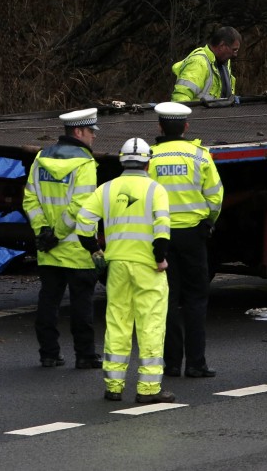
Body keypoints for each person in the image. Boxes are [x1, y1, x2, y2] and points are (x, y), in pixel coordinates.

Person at [75, 137, 174, 404]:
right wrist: (160, 257)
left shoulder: (106, 189)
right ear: (148, 163)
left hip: (116, 266)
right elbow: (162, 228)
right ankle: (149, 389)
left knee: (117, 322)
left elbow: (83, 223)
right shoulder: (156, 190)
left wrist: (96, 251)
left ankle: (113, 386)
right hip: (147, 267)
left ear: (121, 161)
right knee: (150, 324)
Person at [148, 102, 223, 378]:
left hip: (162, 238)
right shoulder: (200, 156)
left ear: (159, 126)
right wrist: (208, 222)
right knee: (195, 300)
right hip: (193, 236)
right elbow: (215, 196)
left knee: (166, 301)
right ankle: (195, 363)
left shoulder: (151, 157)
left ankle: (170, 364)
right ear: (186, 127)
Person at [23, 108, 102, 369]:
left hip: (48, 248)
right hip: (77, 249)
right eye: (91, 132)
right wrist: (57, 234)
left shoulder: (40, 158)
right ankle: (85, 355)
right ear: (79, 132)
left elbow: (30, 199)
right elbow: (81, 206)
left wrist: (43, 232)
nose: (93, 137)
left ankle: (48, 353)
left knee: (48, 302)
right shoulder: (85, 164)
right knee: (81, 307)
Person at [171, 26, 242, 103]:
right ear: (222, 46)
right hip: (198, 114)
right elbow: (180, 98)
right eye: (234, 50)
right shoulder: (198, 62)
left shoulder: (224, 63)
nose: (235, 55)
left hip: (217, 114)